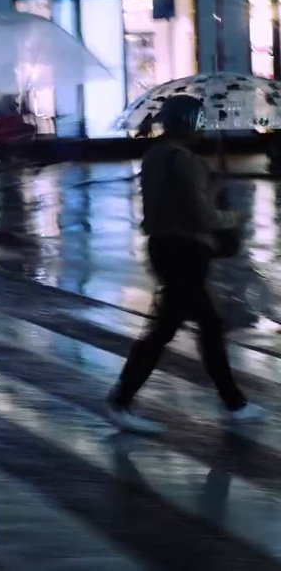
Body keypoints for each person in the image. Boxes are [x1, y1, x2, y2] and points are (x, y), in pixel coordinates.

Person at [105, 94, 262, 433]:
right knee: (167, 330)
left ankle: (233, 402)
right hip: (185, 253)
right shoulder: (185, 160)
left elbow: (170, 202)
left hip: (162, 247)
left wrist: (209, 181)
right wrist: (231, 215)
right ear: (189, 123)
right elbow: (200, 215)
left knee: (205, 325)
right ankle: (121, 399)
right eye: (200, 121)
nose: (203, 128)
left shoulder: (155, 156)